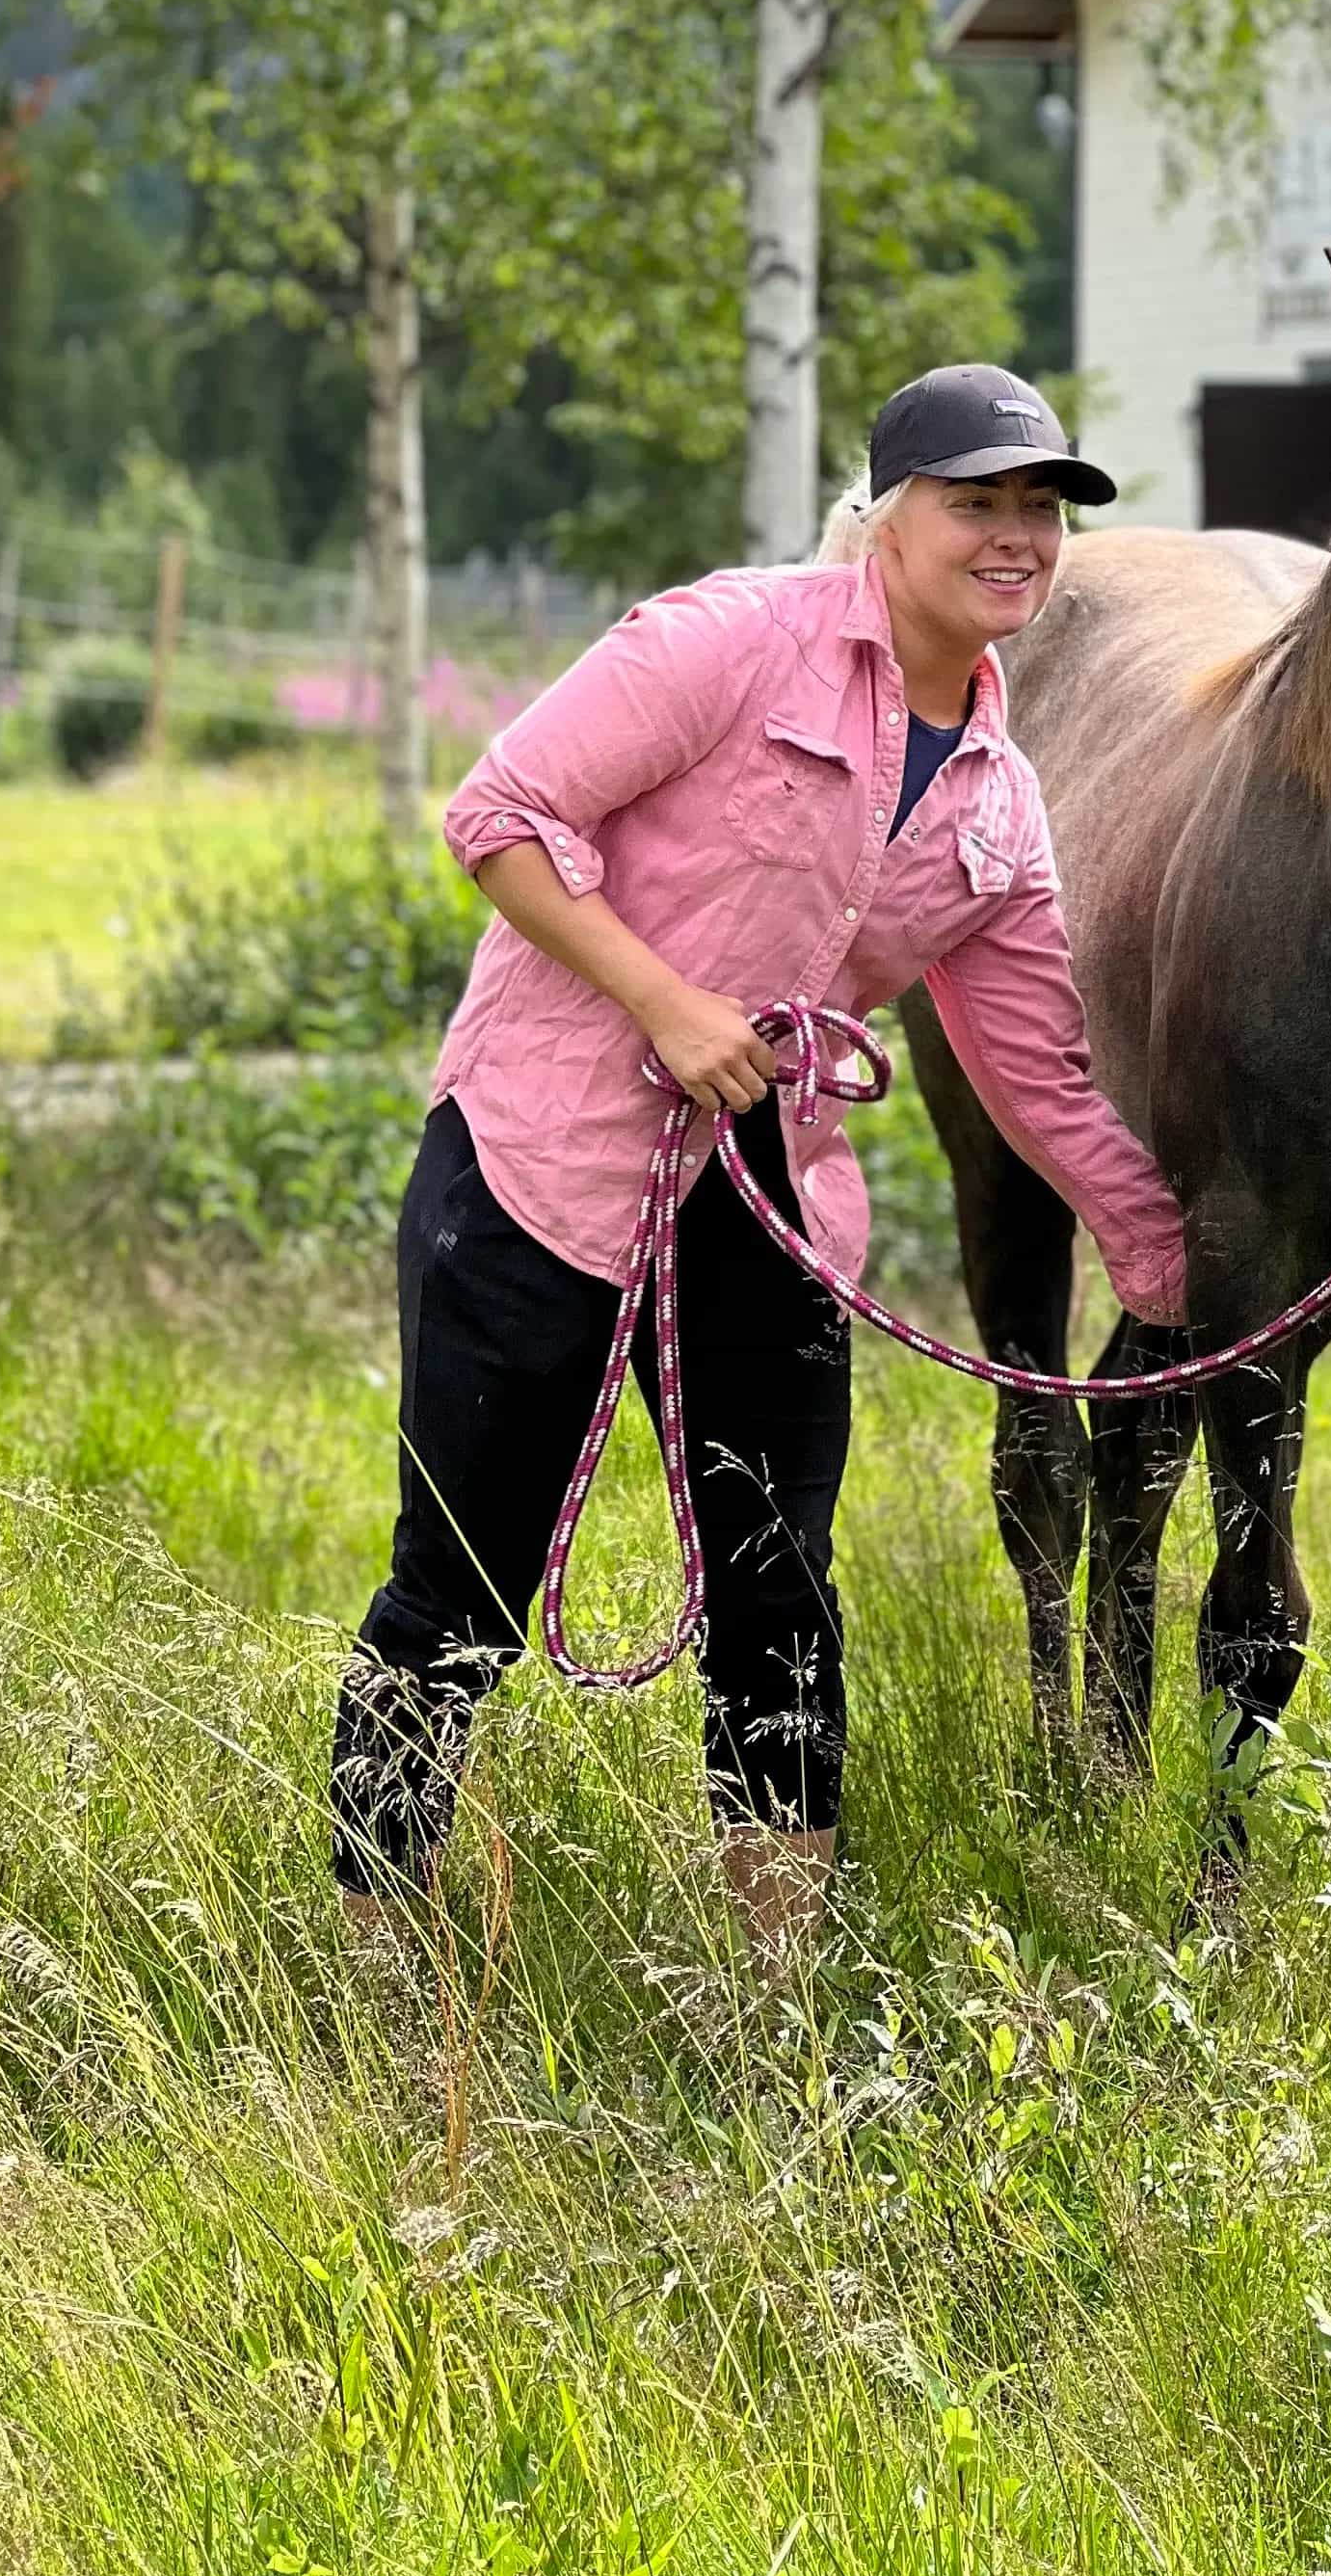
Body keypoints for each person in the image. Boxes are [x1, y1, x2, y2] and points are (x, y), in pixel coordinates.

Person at [334, 360, 1189, 1970]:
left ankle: (771, 1999)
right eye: (977, 502)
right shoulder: (724, 641)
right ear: (887, 515)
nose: (1015, 538)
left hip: (768, 1207)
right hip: (544, 1165)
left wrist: (1168, 1258)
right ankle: (383, 1967)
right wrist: (666, 1001)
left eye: (1040, 511)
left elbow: (1041, 1080)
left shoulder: (1001, 805)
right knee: (460, 1592)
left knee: (780, 1586)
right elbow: (499, 812)